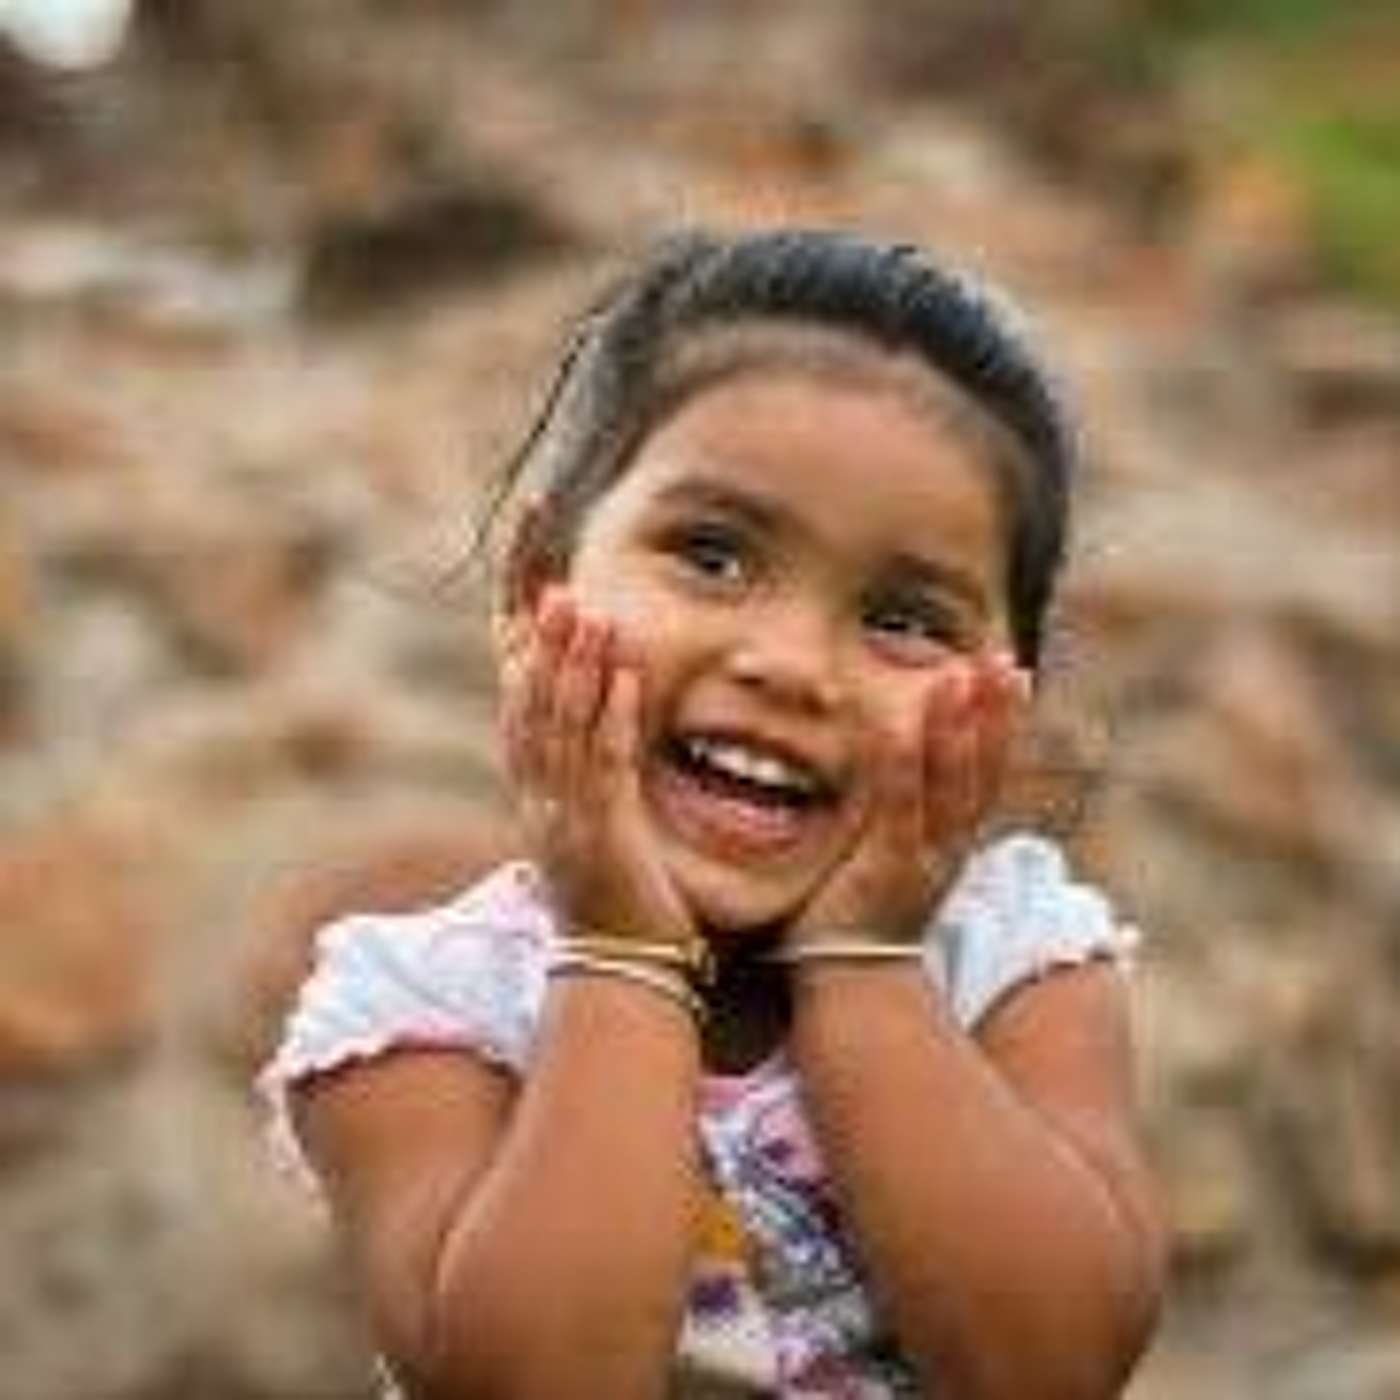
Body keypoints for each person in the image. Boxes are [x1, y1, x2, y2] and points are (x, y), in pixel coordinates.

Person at [258, 227, 1166, 1398]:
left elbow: (1052, 1367)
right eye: (711, 555)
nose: (788, 664)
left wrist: (864, 959)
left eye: (902, 619)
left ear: (1004, 697)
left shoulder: (1009, 960)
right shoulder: (426, 1006)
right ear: (538, 582)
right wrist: (620, 950)